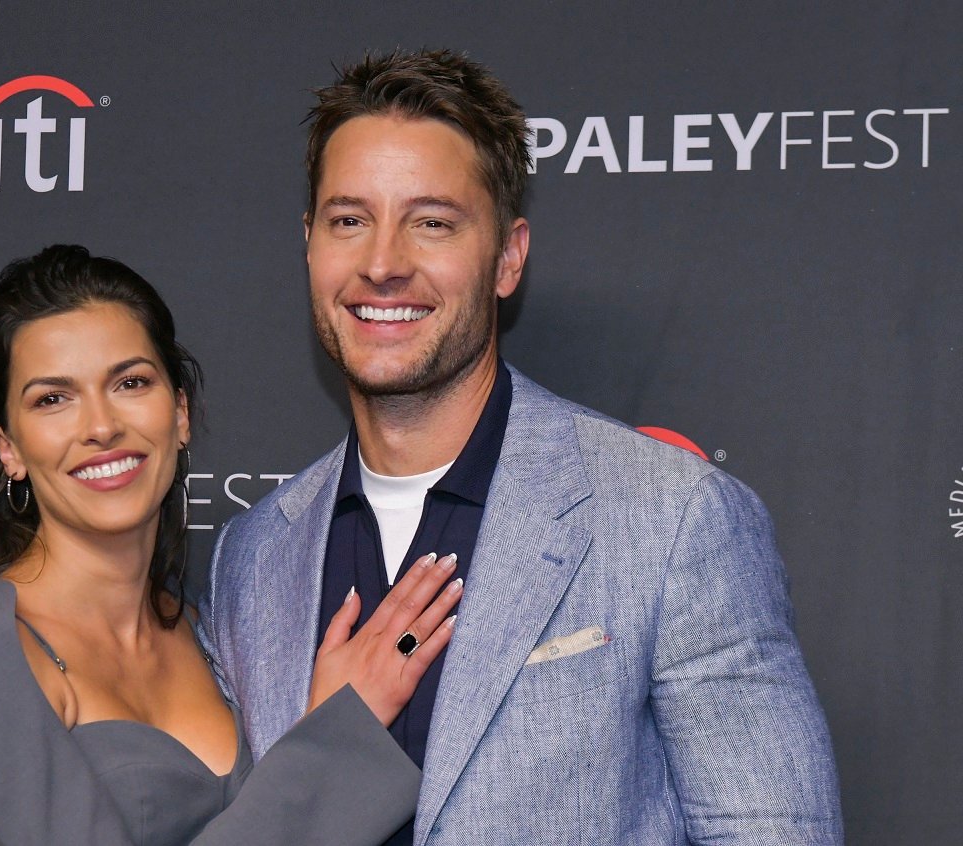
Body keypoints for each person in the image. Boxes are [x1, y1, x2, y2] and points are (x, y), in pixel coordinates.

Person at [199, 49, 845, 845]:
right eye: (349, 220)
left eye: (431, 222)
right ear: (310, 244)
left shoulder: (672, 519)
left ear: (507, 257)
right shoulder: (252, 558)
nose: (382, 263)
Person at [0, 244, 464, 846]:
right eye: (53, 399)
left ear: (180, 413)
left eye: (130, 382)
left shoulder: (209, 630)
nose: (100, 426)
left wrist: (319, 728)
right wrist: (331, 740)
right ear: (9, 448)